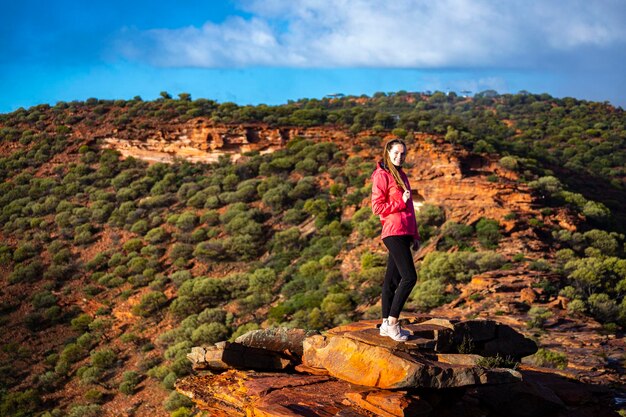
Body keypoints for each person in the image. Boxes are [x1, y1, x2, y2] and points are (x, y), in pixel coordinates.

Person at [370, 138, 420, 342]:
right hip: (393, 231)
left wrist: (415, 235)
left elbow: (410, 210)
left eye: (403, 154)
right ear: (388, 153)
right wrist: (400, 201)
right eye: (396, 153)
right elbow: (377, 207)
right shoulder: (382, 175)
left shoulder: (401, 175)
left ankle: (384, 324)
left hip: (404, 232)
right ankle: (392, 323)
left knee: (392, 280)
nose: (400, 157)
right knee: (409, 277)